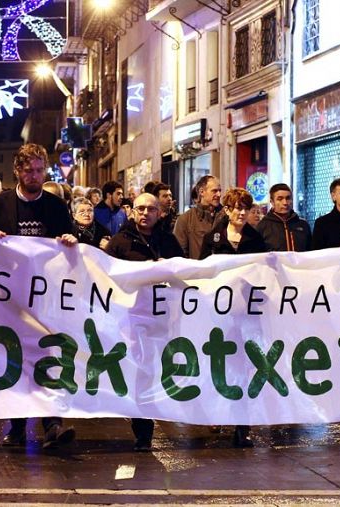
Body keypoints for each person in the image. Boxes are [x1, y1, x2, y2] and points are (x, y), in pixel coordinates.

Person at [0, 143, 79, 449]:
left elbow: (67, 241)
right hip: (9, 299)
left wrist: (70, 240)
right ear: (17, 171)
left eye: (38, 170)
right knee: (14, 360)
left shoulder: (56, 206)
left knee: (47, 357)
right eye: (28, 170)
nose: (34, 175)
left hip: (44, 296)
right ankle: (17, 426)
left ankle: (52, 424)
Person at [105, 193, 184, 451]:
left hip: (161, 316)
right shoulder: (120, 242)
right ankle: (142, 429)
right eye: (140, 208)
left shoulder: (168, 241)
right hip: (130, 316)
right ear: (132, 211)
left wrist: (169, 268)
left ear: (159, 212)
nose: (145, 213)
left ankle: (150, 420)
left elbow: (183, 273)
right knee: (138, 368)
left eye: (151, 209)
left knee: (155, 368)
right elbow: (106, 275)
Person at [199, 187, 266, 448]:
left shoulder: (255, 239)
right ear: (227, 210)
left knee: (245, 367)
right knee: (219, 363)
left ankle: (242, 425)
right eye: (236, 207)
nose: (241, 212)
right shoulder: (212, 238)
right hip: (220, 313)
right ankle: (216, 413)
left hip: (247, 315)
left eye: (245, 208)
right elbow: (202, 271)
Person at [174, 175, 223, 259]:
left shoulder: (226, 216)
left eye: (219, 191)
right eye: (214, 191)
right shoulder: (185, 220)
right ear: (202, 192)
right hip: (197, 270)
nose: (219, 194)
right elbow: (179, 254)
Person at [257, 183, 311, 252]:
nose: (285, 203)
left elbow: (310, 253)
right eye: (280, 199)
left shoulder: (303, 225)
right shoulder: (263, 226)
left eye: (288, 198)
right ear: (272, 202)